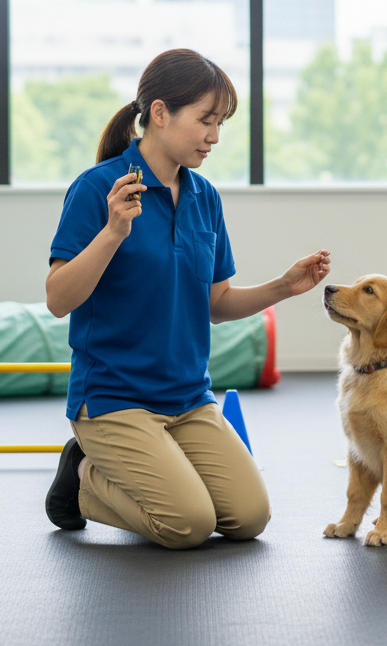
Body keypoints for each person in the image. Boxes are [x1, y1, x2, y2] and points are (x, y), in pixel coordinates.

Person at [43, 48, 330, 549]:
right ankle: (83, 477)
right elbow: (57, 299)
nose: (214, 136)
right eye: (205, 120)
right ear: (159, 113)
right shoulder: (98, 188)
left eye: (220, 124)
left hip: (189, 398)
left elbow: (216, 303)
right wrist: (112, 232)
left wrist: (284, 287)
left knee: (249, 518)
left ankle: (144, 466)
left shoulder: (205, 197)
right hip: (114, 399)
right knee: (188, 525)